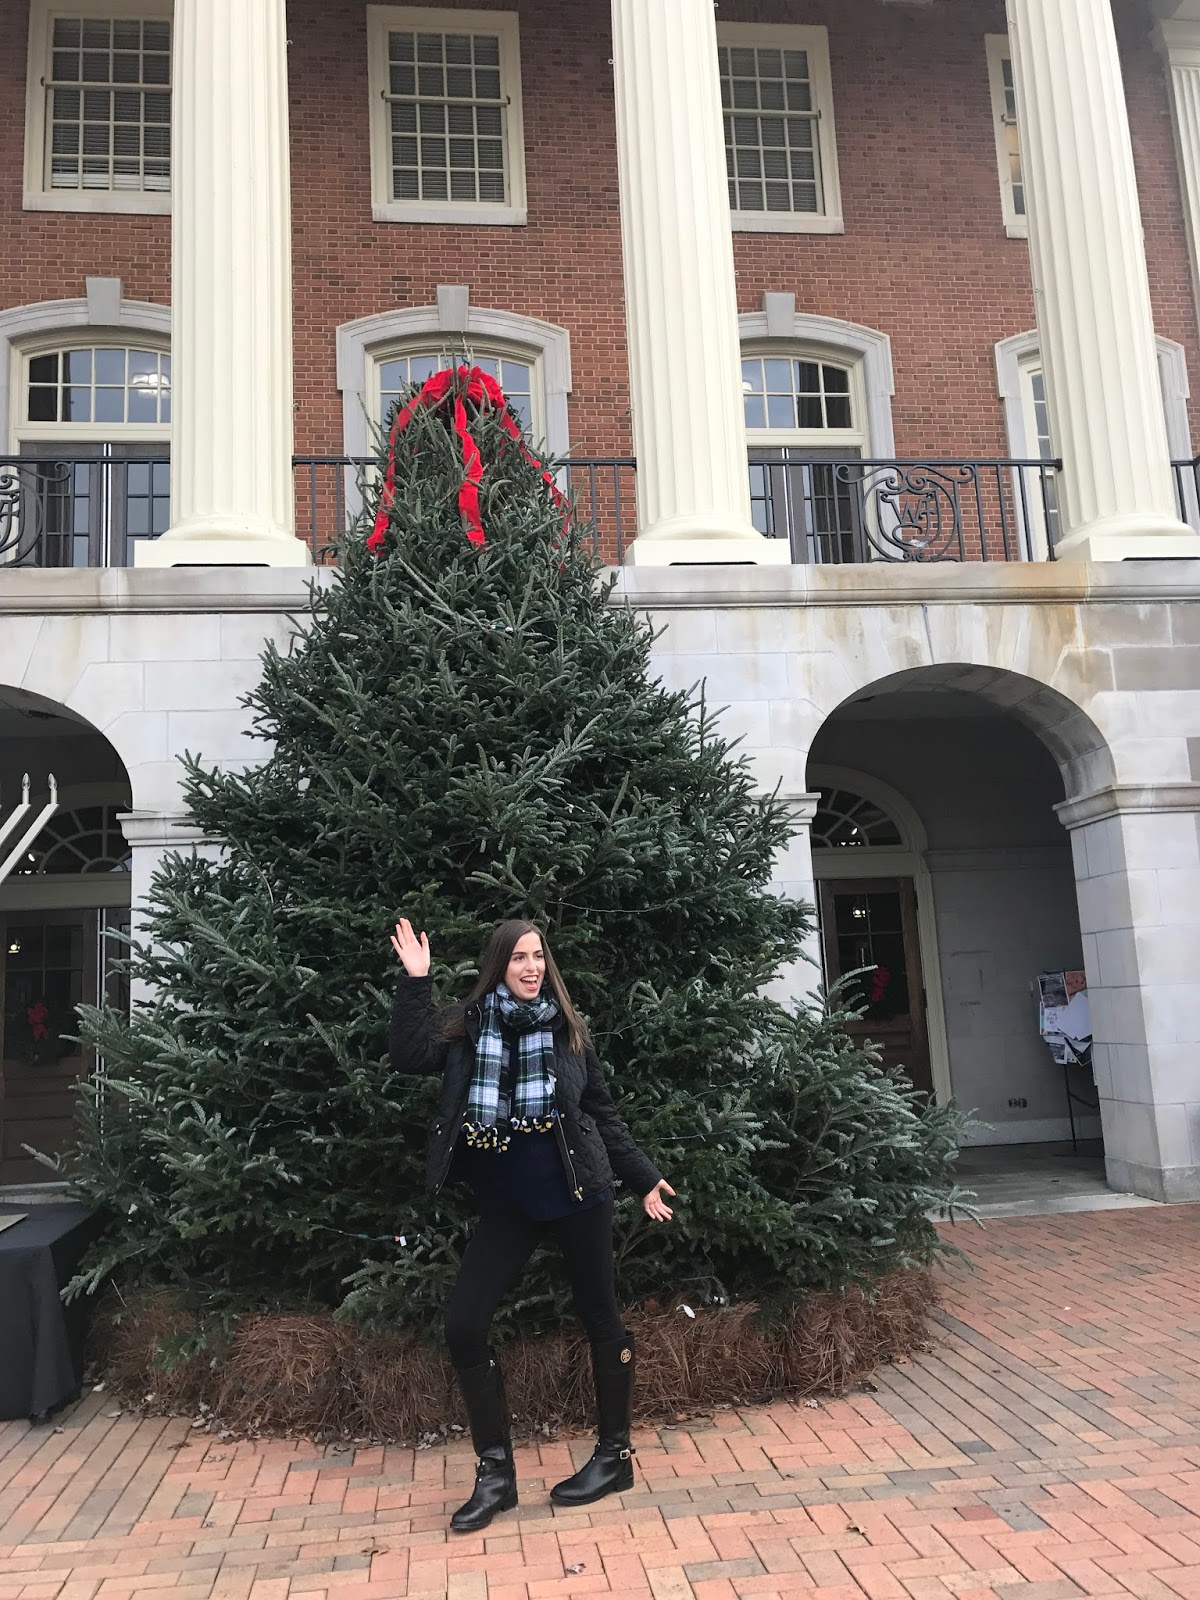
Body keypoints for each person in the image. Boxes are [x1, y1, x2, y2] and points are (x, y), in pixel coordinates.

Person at [389, 916, 675, 1533]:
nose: (531, 967)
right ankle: (496, 1475)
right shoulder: (467, 1029)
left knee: (601, 1316)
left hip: (579, 1194)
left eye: (539, 957)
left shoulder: (568, 1031)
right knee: (464, 1324)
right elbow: (408, 1055)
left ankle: (614, 1456)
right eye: (519, 957)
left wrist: (644, 1176)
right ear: (500, 965)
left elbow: (603, 1112)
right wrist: (417, 980)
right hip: (508, 1207)